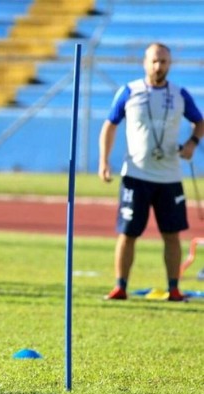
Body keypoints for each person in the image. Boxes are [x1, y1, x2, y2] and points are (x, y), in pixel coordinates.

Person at [98, 42, 204, 301]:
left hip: (169, 177)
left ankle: (174, 289)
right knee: (128, 233)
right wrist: (104, 161)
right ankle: (120, 286)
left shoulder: (180, 95)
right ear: (145, 63)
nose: (159, 66)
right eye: (154, 61)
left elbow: (200, 122)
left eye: (164, 61)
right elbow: (109, 126)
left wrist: (192, 143)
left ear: (170, 64)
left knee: (172, 234)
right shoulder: (129, 92)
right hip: (136, 175)